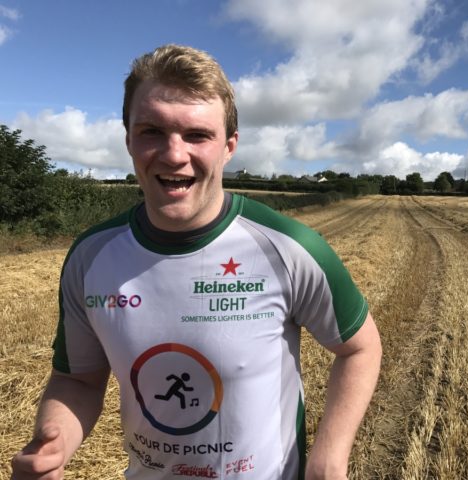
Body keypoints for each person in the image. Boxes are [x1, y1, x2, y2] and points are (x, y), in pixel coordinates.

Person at [11, 44, 381, 480]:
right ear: (128, 138)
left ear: (228, 146)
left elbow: (359, 347)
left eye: (196, 135)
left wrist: (329, 459)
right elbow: (79, 380)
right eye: (151, 131)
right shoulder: (91, 257)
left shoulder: (289, 247)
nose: (173, 154)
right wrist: (52, 443)